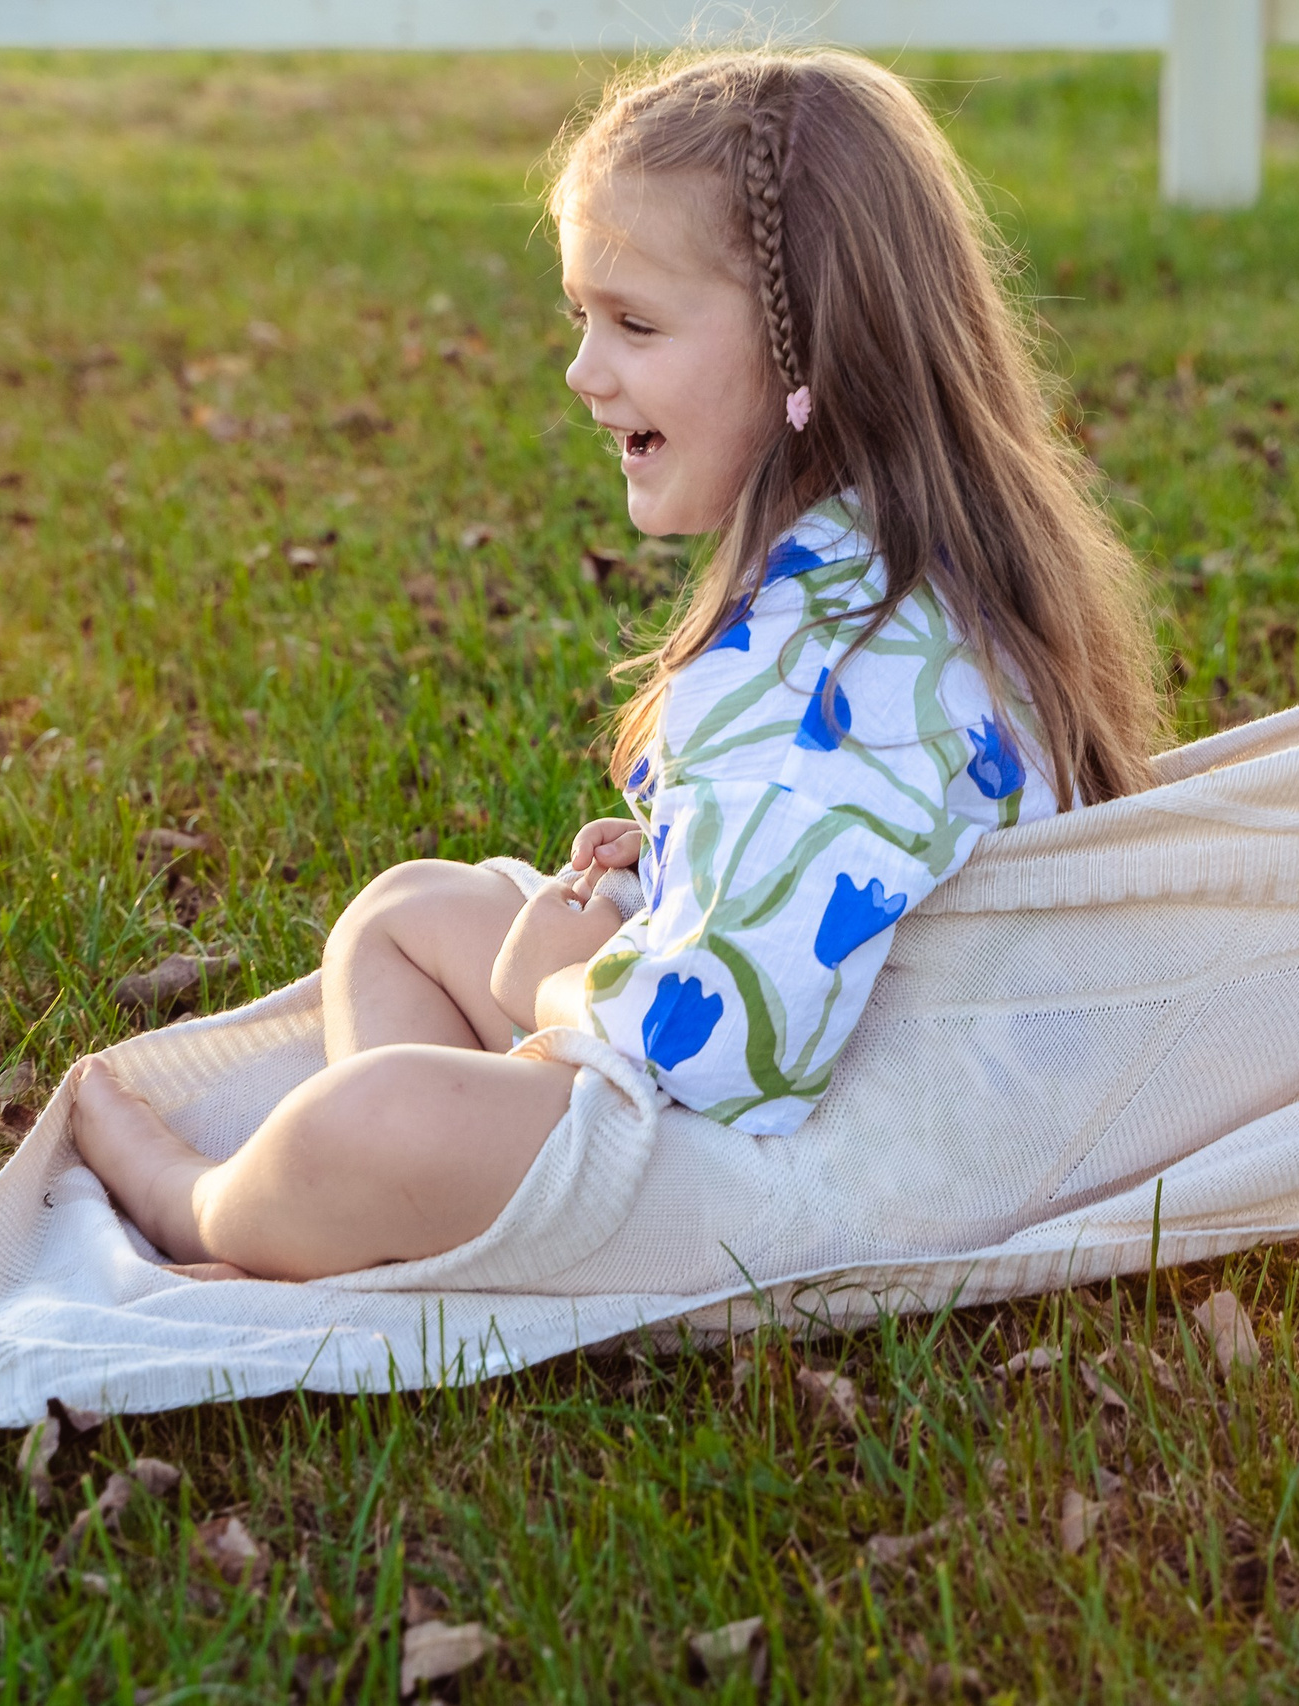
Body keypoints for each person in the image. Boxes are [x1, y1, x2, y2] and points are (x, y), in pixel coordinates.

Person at [68, 49, 1164, 1282]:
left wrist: (560, 985)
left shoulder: (827, 662)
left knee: (372, 1120)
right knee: (403, 916)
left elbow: (734, 1049)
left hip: (837, 1161)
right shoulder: (893, 567)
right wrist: (677, 861)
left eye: (635, 324)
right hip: (871, 1065)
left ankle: (202, 1204)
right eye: (581, 318)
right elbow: (849, 855)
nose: (585, 372)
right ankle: (421, 1216)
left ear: (810, 348)